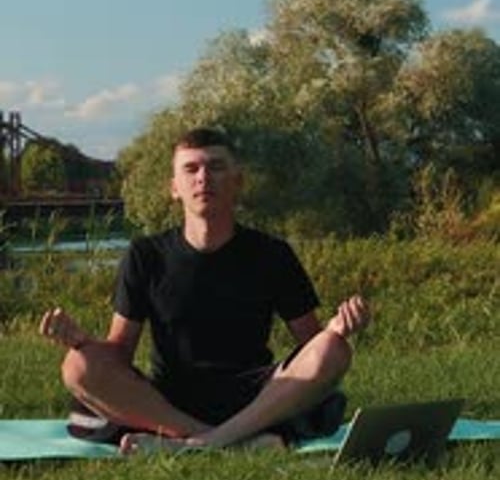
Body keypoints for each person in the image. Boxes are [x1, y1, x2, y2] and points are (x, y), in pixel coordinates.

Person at [40, 127, 369, 452]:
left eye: (216, 167)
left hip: (257, 397)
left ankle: (193, 443)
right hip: (167, 401)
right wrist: (82, 343)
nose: (203, 177)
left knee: (335, 349)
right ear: (174, 188)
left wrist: (336, 330)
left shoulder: (272, 254)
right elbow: (119, 354)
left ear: (237, 182)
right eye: (191, 168)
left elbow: (311, 346)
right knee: (77, 365)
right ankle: (223, 440)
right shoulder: (146, 255)